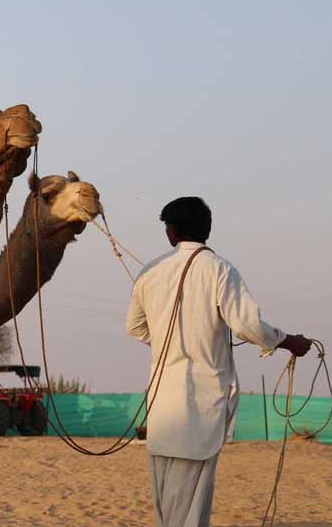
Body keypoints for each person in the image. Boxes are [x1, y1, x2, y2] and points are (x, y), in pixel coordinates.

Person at [125, 196, 312, 527]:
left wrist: (175, 342)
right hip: (200, 409)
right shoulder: (221, 271)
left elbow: (136, 328)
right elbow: (248, 325)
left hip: (161, 410)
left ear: (171, 232)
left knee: (166, 509)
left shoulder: (150, 273)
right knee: (190, 512)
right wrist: (288, 342)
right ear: (207, 230)